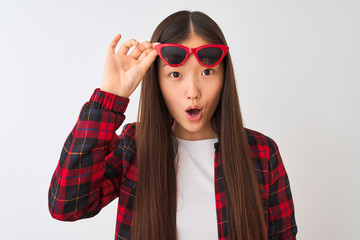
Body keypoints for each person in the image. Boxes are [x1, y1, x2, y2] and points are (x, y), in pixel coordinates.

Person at [48, 10, 297, 240]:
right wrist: (111, 97)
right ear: (157, 81)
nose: (193, 92)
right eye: (175, 74)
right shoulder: (135, 146)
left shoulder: (262, 152)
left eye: (207, 72)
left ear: (224, 77)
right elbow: (67, 205)